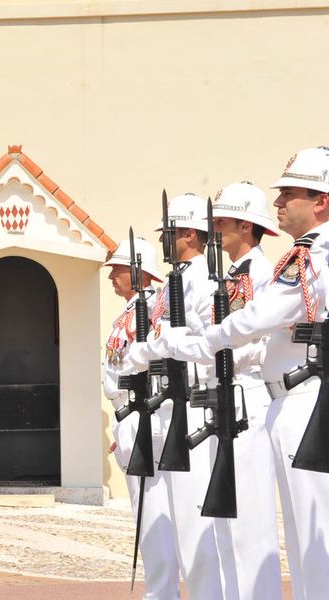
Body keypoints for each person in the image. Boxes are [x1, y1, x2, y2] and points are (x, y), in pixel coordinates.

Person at [164, 148, 329, 600]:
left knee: (312, 537)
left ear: (321, 200)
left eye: (289, 193)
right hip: (282, 397)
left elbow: (256, 321)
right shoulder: (303, 256)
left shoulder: (314, 255)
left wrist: (198, 343)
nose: (280, 204)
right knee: (292, 535)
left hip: (298, 396)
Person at [164, 182, 282, 599]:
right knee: (224, 525)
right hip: (221, 394)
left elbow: (257, 343)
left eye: (224, 223)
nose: (214, 230)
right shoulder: (228, 275)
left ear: (246, 227)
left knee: (249, 524)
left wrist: (199, 346)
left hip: (244, 394)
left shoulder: (262, 274)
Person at [121, 192, 223, 599]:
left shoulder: (203, 279)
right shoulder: (174, 282)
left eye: (170, 233)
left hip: (193, 401)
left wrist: (160, 345)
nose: (165, 240)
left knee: (197, 523)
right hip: (169, 403)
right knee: (178, 520)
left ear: (189, 235)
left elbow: (205, 339)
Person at [101, 238, 180, 599]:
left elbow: (154, 364)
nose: (111, 276)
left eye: (118, 269)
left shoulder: (151, 309)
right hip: (129, 414)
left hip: (142, 411)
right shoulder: (132, 310)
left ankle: (161, 592)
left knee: (153, 511)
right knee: (145, 511)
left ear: (138, 272)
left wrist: (137, 417)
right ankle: (159, 589)